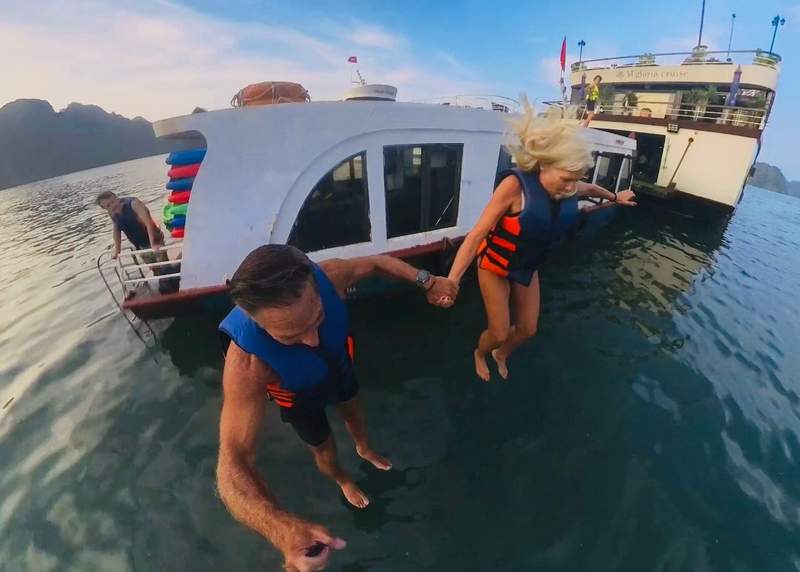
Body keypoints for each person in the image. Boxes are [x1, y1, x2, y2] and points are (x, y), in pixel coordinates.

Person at [216, 245, 458, 572]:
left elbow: (374, 264)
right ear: (259, 325)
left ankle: (364, 448)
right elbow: (232, 462)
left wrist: (427, 281)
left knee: (355, 411)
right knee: (324, 451)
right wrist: (282, 529)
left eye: (317, 319)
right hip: (301, 397)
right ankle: (343, 479)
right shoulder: (248, 363)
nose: (312, 340)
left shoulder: (329, 276)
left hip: (340, 367)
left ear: (317, 289)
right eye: (290, 336)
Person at [444, 103, 637, 382]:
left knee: (527, 329)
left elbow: (591, 188)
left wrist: (615, 197)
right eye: (566, 179)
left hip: (527, 266)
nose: (571, 187)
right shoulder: (514, 188)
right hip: (495, 264)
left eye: (576, 180)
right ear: (545, 165)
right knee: (498, 332)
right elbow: (475, 236)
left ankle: (502, 354)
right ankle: (480, 352)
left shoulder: (569, 185)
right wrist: (453, 280)